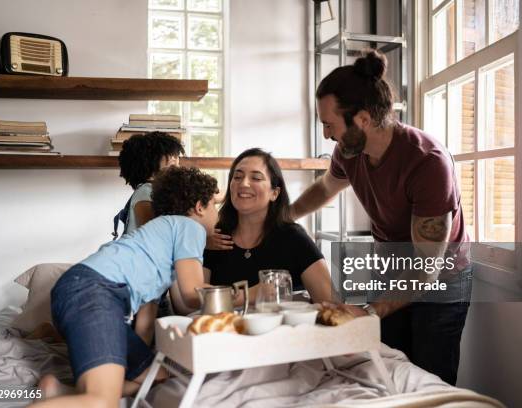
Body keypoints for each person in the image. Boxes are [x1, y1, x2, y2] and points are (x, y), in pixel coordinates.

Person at [290, 50, 472, 386]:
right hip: (392, 264)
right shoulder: (348, 150)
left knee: (428, 379)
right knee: (384, 366)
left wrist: (372, 311)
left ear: (361, 120)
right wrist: (285, 215)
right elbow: (326, 187)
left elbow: (426, 268)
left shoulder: (427, 162)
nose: (328, 135)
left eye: (330, 125)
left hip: (439, 275)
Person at [31, 166, 219, 408]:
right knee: (102, 402)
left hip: (82, 292)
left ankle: (56, 392)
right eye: (215, 204)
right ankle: (91, 396)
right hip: (94, 292)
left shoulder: (155, 247)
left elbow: (145, 324)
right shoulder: (189, 226)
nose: (218, 213)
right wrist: (241, 294)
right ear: (199, 207)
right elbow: (193, 293)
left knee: (159, 374)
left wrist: (143, 360)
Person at [200, 148, 334, 308]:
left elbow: (329, 304)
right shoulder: (213, 238)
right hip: (223, 331)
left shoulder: (294, 238)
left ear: (274, 193)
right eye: (237, 177)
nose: (243, 183)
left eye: (256, 178)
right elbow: (192, 303)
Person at [114, 131, 185, 345]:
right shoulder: (147, 191)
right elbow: (154, 232)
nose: (176, 163)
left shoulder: (153, 192)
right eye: (170, 159)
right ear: (149, 165)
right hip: (138, 286)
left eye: (177, 158)